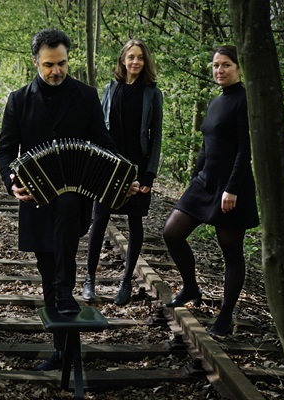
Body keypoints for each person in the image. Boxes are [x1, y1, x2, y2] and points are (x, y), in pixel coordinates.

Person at [0, 28, 139, 371]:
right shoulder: (18, 100)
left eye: (61, 63)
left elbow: (104, 142)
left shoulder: (86, 96)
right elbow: (5, 152)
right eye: (49, 65)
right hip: (35, 198)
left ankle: (65, 292)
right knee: (48, 269)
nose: (56, 70)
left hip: (74, 202)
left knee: (66, 209)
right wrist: (12, 182)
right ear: (35, 62)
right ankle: (61, 350)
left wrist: (122, 176)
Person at [162, 45, 259, 336]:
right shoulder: (216, 101)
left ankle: (226, 314)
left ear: (239, 68)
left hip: (232, 187)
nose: (219, 70)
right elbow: (207, 144)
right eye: (216, 65)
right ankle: (191, 287)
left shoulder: (243, 100)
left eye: (226, 65)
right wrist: (195, 178)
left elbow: (244, 150)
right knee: (172, 232)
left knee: (231, 251)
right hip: (205, 183)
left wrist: (231, 189)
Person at [84, 39, 163, 305]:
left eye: (140, 57)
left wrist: (150, 173)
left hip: (137, 167)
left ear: (145, 61)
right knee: (99, 219)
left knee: (135, 222)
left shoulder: (152, 93)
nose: (135, 62)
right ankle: (89, 279)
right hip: (109, 166)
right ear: (123, 60)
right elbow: (99, 128)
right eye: (131, 57)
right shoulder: (111, 88)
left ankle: (126, 281)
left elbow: (156, 136)